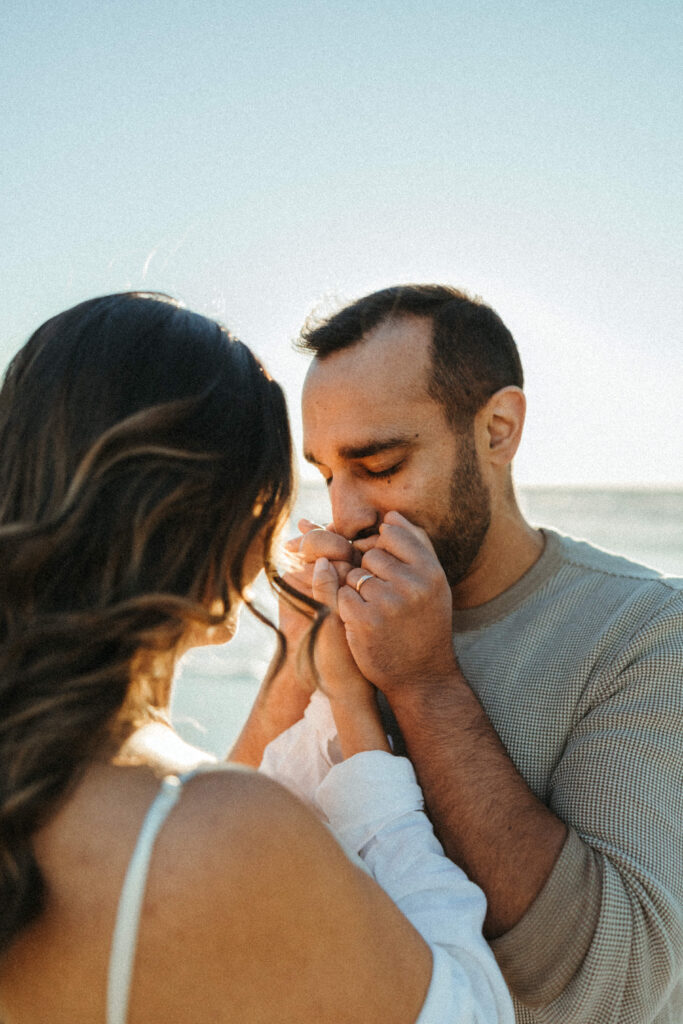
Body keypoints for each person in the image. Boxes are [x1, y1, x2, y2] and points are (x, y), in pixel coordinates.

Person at [0, 292, 514, 1024]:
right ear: (223, 514)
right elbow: (471, 1010)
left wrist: (292, 686)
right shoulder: (221, 836)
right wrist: (358, 723)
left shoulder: (62, 795)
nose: (338, 516)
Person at [232, 284, 683, 1024]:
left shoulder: (645, 632)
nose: (344, 514)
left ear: (498, 430)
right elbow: (209, 865)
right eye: (325, 473)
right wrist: (294, 668)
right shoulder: (342, 613)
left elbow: (611, 986)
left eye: (378, 466)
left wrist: (424, 683)